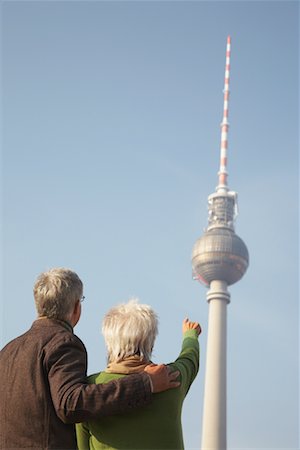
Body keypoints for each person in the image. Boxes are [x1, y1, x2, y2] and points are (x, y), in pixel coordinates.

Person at [0, 268, 180, 450]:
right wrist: (145, 383)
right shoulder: (64, 342)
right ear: (77, 306)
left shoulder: (7, 351)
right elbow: (71, 403)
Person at [76, 298, 201, 450]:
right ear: (151, 343)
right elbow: (190, 358)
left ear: (109, 343)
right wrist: (190, 335)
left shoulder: (89, 389)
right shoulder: (172, 378)